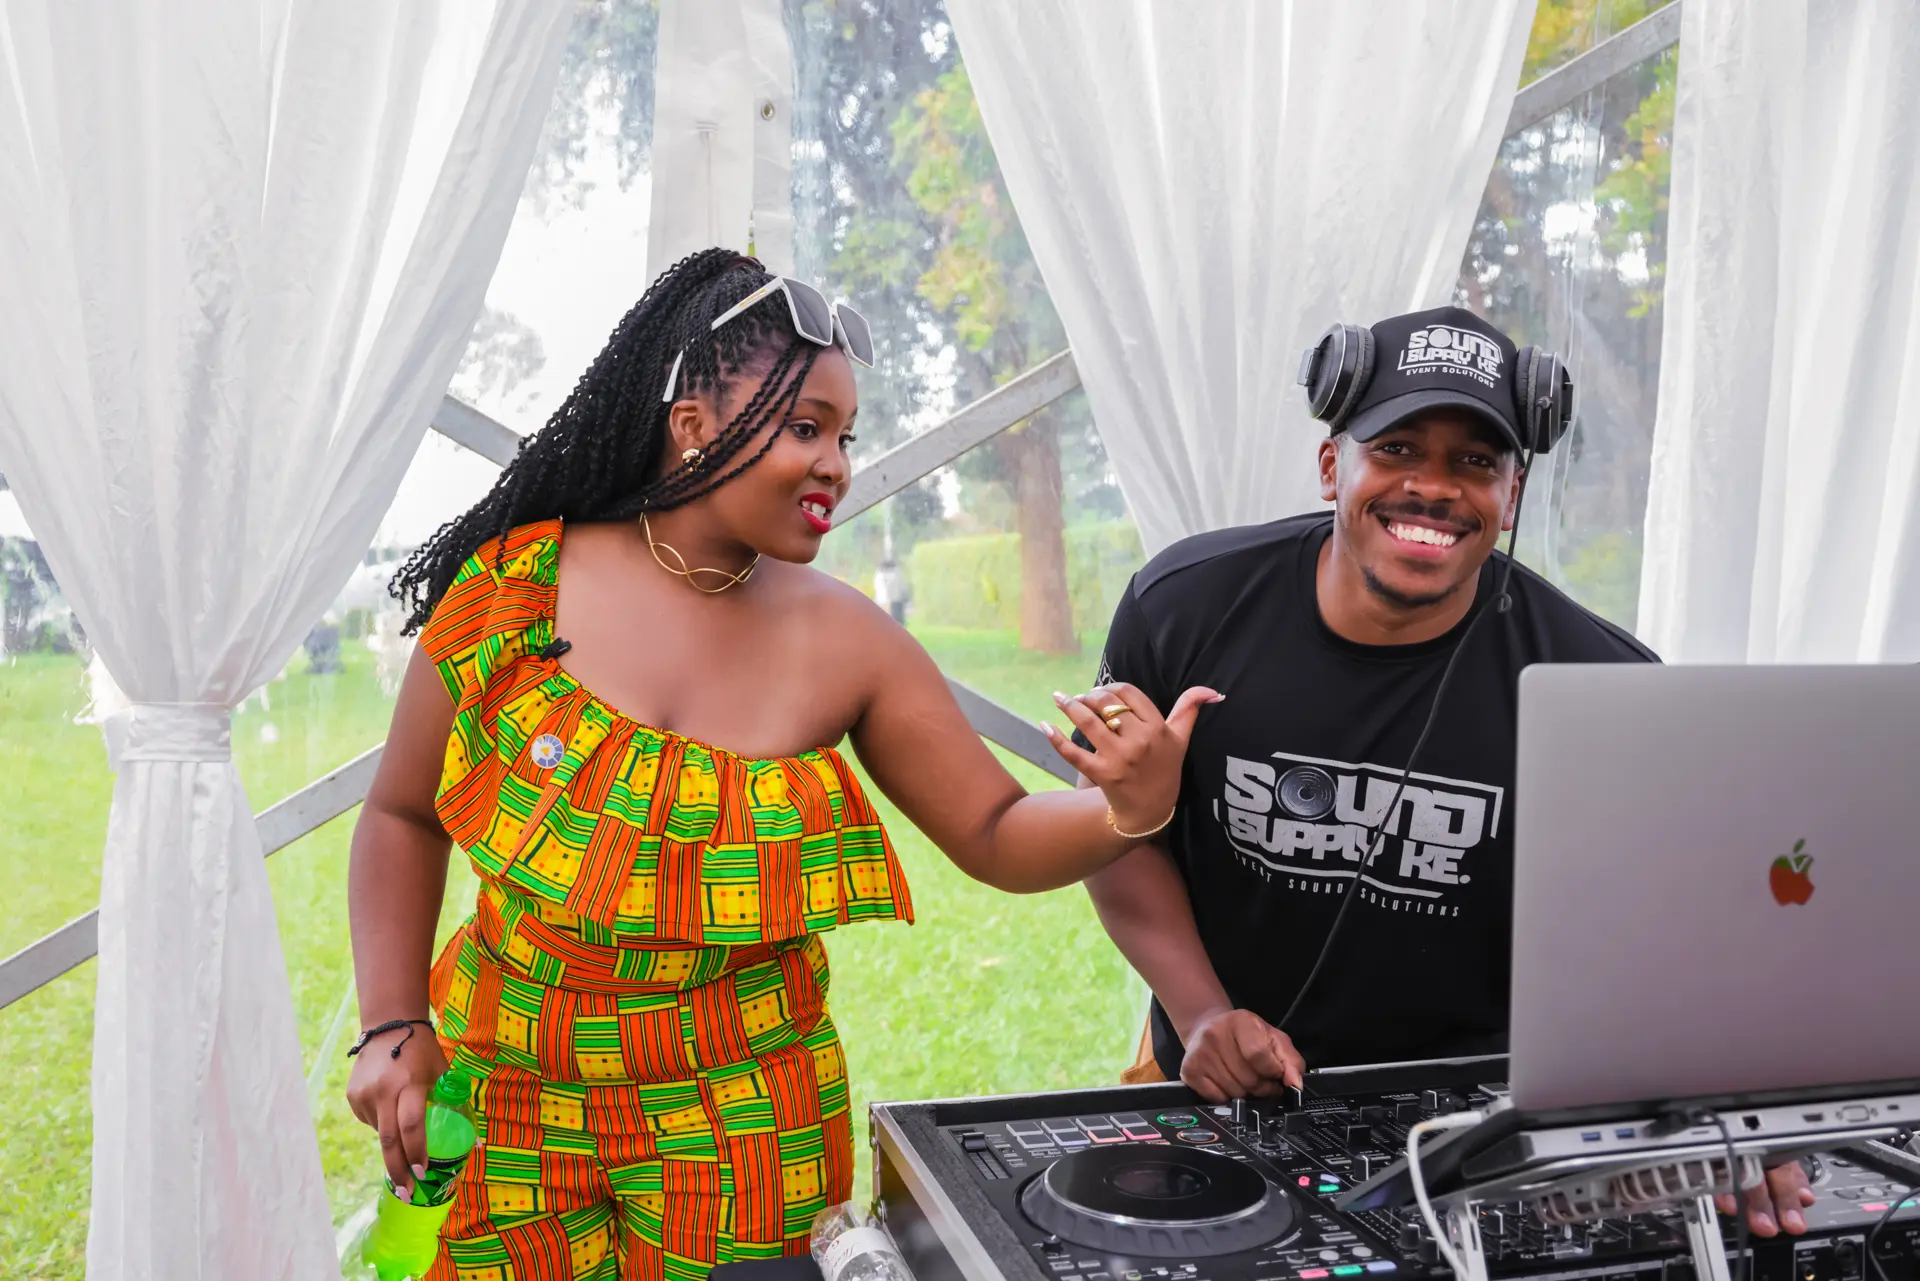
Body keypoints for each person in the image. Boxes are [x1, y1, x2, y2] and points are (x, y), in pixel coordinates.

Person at [343, 248, 1211, 1280]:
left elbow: (995, 833)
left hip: (743, 1117)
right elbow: (402, 813)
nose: (838, 464)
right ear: (692, 423)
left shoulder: (848, 643)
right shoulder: (514, 588)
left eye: (845, 435)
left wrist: (1130, 807)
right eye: (806, 428)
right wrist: (393, 1024)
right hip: (502, 1097)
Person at [1073, 305, 1814, 1237]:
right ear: (1332, 462)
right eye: (1397, 447)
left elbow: (1674, 930)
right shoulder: (1184, 605)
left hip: (1481, 1131)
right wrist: (1204, 1011)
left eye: (1477, 461)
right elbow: (1115, 829)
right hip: (1216, 1074)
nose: (1434, 487)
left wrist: (1743, 1107)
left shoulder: (1601, 680)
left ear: (1512, 492)